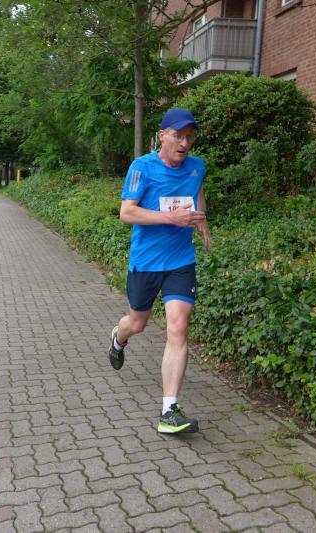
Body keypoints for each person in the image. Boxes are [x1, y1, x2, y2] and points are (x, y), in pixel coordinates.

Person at [108, 108, 210, 435]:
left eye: (190, 137)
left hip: (180, 261)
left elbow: (197, 189)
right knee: (137, 323)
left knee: (178, 327)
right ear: (162, 136)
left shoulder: (197, 166)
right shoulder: (142, 167)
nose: (184, 143)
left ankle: (169, 411)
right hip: (146, 263)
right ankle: (119, 337)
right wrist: (171, 218)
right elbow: (127, 213)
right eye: (178, 136)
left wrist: (202, 219)